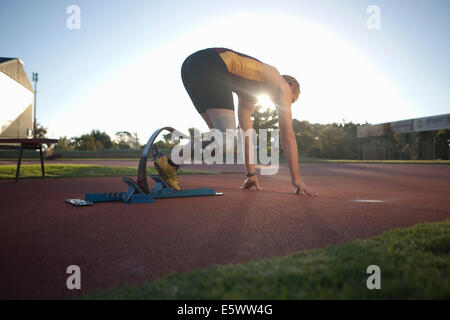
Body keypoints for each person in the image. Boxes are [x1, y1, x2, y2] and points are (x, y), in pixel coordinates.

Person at [154, 47, 315, 196]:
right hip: (210, 63)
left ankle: (170, 165)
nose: (288, 104)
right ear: (291, 87)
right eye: (291, 101)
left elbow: (247, 137)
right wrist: (296, 179)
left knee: (217, 138)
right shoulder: (282, 84)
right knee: (225, 140)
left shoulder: (247, 98)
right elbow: (288, 137)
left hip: (190, 66)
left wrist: (251, 174)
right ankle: (169, 163)